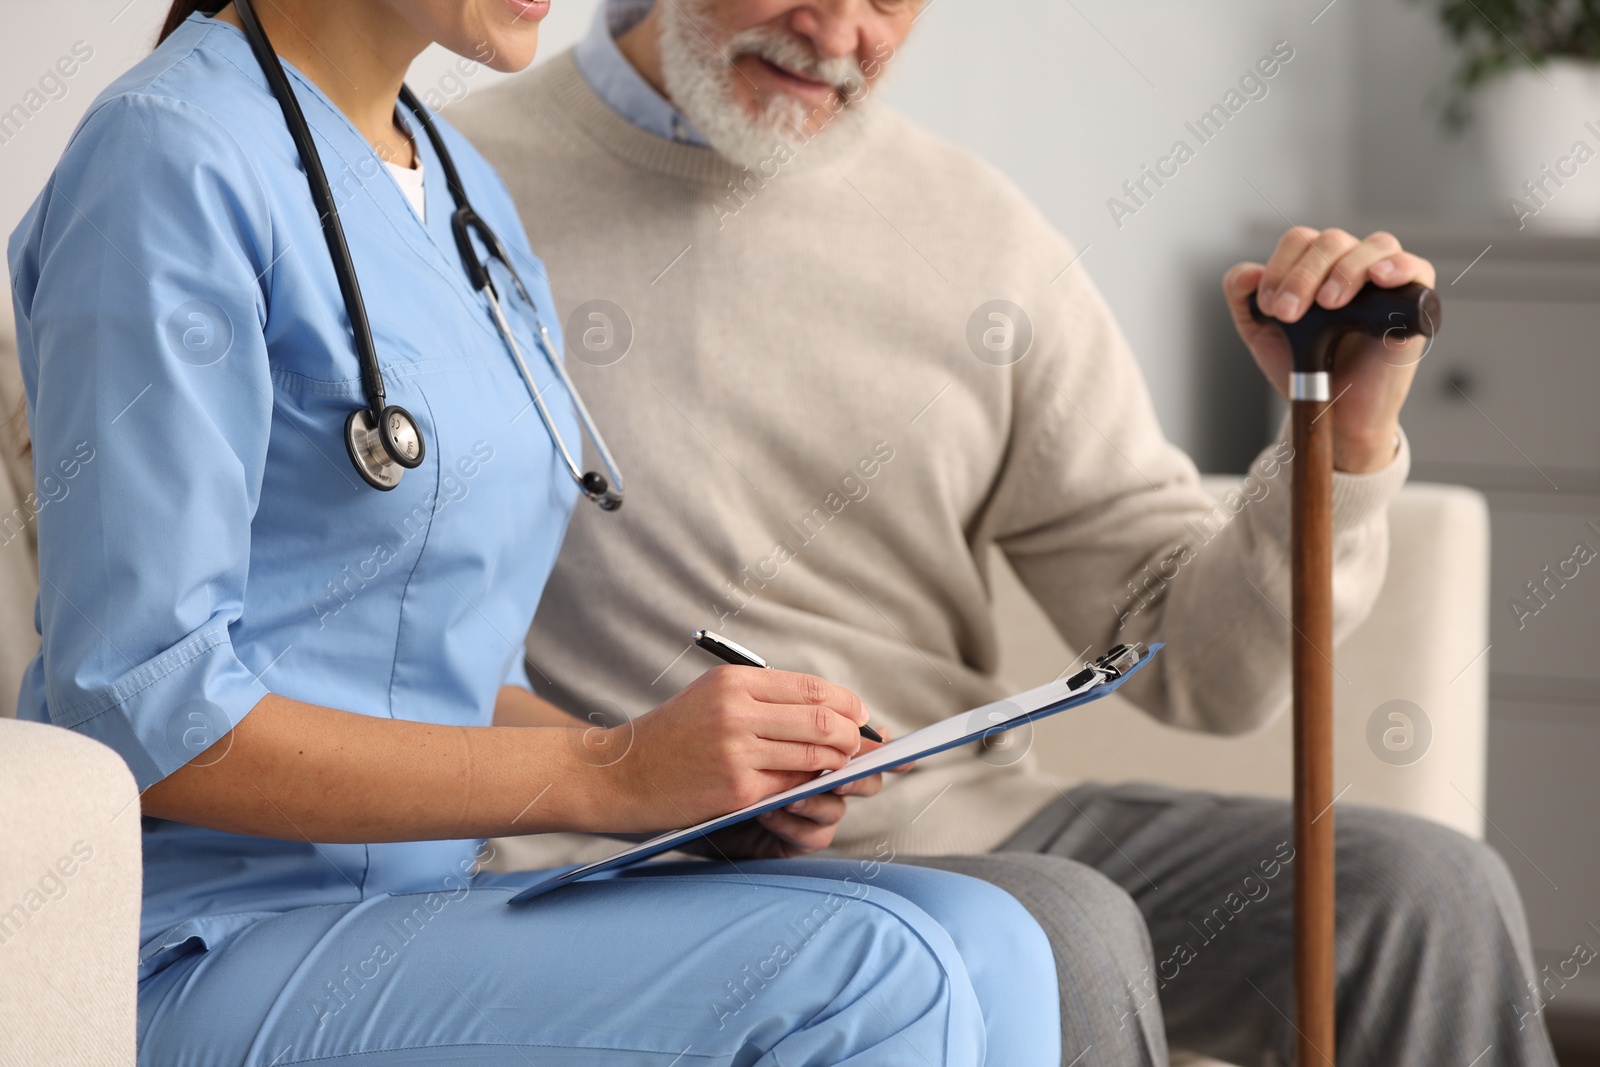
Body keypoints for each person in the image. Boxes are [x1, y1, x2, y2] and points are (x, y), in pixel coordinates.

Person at [450, 1, 1559, 1063]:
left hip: (962, 824)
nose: (841, 34)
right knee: (1051, 930)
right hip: (633, 856)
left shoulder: (978, 233)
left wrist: (1337, 441)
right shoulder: (445, 193)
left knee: (1419, 891)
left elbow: (1209, 671)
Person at [7, 1, 1066, 1063]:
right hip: (200, 943)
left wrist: (689, 796)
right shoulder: (167, 154)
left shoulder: (461, 190)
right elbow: (144, 707)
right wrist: (611, 770)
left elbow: (451, 680)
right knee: (879, 972)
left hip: (419, 910)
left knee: (993, 939)